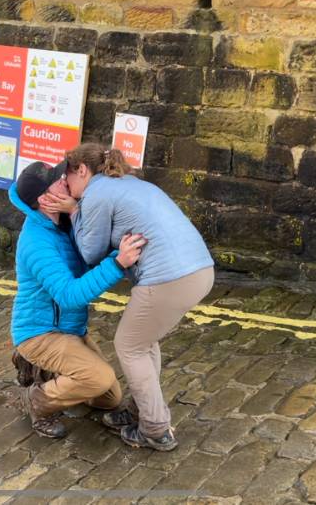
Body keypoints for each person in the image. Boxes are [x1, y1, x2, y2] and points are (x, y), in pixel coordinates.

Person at [44, 142, 215, 451]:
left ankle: (154, 429)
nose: (65, 186)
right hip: (200, 271)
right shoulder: (128, 183)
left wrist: (73, 211)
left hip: (168, 278)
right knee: (143, 342)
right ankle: (141, 411)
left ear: (81, 170)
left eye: (67, 178)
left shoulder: (95, 194)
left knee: (129, 345)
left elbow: (90, 253)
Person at [8, 160, 147, 438]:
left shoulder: (65, 223)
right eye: (59, 181)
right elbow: (69, 296)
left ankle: (48, 374)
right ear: (44, 200)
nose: (66, 181)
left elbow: (89, 257)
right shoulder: (36, 243)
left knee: (109, 398)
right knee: (98, 378)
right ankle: (37, 401)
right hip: (40, 333)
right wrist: (118, 263)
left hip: (70, 330)